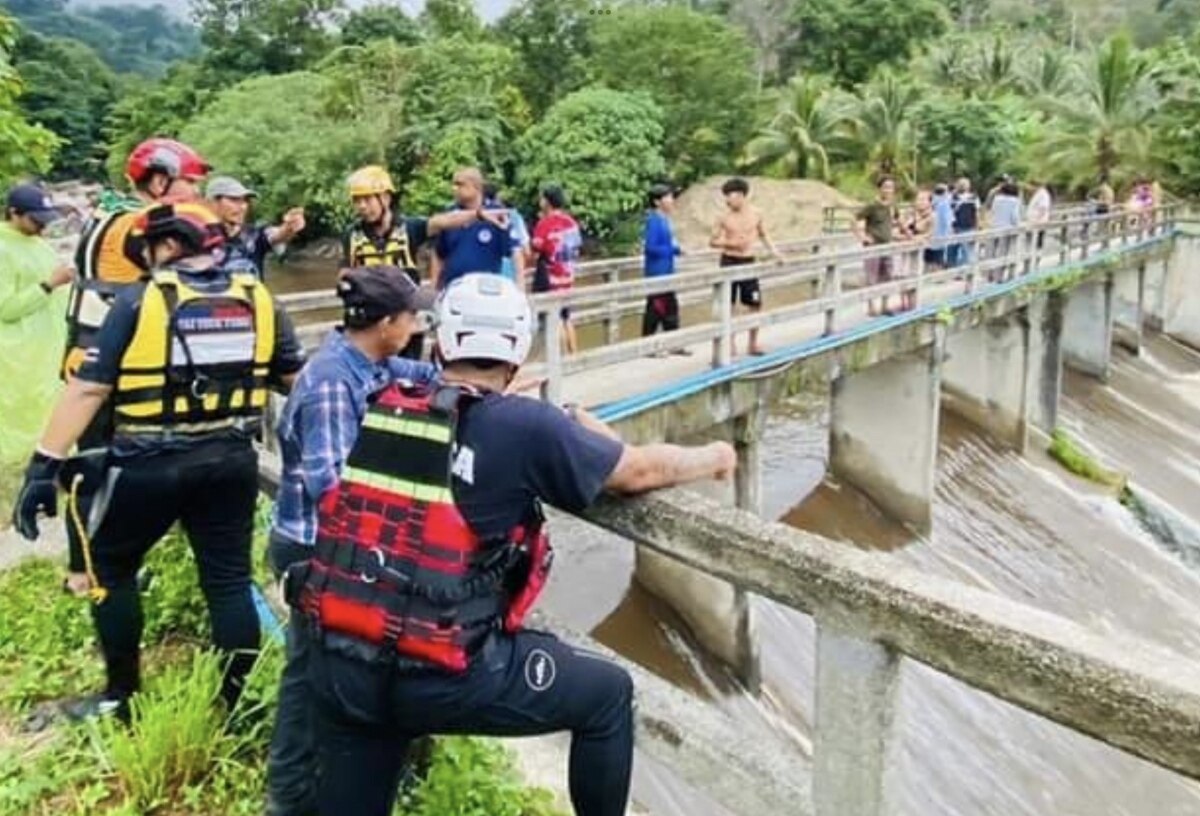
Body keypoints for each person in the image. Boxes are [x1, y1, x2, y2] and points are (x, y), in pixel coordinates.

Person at [288, 272, 737, 816]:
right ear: (518, 353)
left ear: (439, 343)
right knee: (607, 695)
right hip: (444, 674)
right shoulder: (526, 425)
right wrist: (713, 455)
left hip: (344, 661)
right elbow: (635, 473)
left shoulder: (386, 402)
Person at [11, 201, 306, 722]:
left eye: (149, 250)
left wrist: (42, 468)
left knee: (111, 567)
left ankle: (121, 698)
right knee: (229, 581)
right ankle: (236, 705)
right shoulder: (260, 299)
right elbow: (294, 382)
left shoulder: (138, 300)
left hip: (150, 463)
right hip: (232, 459)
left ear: (169, 246)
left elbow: (88, 390)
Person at [265, 265, 440, 816]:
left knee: (357, 665)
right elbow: (331, 488)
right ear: (387, 322)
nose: (417, 324)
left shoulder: (370, 360)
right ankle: (289, 794)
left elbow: (426, 375)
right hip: (316, 547)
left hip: (343, 546)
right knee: (308, 670)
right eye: (412, 315)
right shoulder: (331, 385)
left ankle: (362, 771)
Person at [60, 138, 210, 598]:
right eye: (189, 183)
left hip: (83, 348)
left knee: (91, 458)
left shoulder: (106, 215)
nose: (194, 193)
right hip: (109, 360)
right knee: (106, 462)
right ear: (160, 180)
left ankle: (83, 566)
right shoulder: (138, 227)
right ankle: (91, 570)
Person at [342, 165, 507, 360]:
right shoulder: (352, 236)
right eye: (357, 200)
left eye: (367, 199)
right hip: (370, 325)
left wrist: (478, 215)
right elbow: (346, 272)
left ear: (385, 198)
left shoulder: (409, 228)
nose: (361, 206)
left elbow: (443, 221)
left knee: (408, 380)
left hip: (404, 320)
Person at [0, 184, 74, 521]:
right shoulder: (3, 248)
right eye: (35, 219)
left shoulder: (39, 244)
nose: (42, 225)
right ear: (13, 213)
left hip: (48, 349)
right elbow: (5, 307)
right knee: (15, 425)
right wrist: (48, 285)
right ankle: (12, 498)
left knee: (50, 417)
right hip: (16, 355)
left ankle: (48, 485)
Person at [710, 177, 783, 356]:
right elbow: (712, 241)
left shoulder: (756, 213)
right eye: (726, 196)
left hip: (748, 261)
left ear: (742, 195)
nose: (727, 200)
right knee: (729, 305)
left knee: (755, 303)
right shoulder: (723, 217)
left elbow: (764, 235)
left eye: (731, 196)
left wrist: (775, 252)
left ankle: (753, 343)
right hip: (729, 261)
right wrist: (730, 244)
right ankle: (731, 344)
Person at [431, 167, 517, 290]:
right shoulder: (449, 216)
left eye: (460, 184)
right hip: (454, 289)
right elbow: (439, 254)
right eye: (454, 185)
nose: (454, 189)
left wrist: (520, 285)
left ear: (476, 186)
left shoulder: (496, 213)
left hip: (486, 289)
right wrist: (434, 286)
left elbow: (514, 251)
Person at [207, 176, 306, 280]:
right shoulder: (197, 238)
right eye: (234, 199)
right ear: (212, 202)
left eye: (245, 200)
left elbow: (277, 235)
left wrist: (289, 226)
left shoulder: (253, 234)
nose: (243, 207)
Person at [530, 184, 582, 355]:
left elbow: (535, 251)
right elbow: (576, 248)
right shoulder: (571, 223)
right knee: (567, 318)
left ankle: (557, 360)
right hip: (567, 276)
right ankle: (573, 355)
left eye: (542, 197)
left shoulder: (544, 224)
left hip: (549, 278)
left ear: (547, 201)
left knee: (554, 318)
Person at [642, 183, 688, 354]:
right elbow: (650, 248)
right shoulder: (654, 221)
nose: (672, 200)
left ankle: (673, 344)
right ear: (657, 202)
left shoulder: (664, 220)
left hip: (667, 271)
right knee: (655, 309)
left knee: (671, 309)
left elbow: (663, 245)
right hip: (657, 273)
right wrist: (672, 250)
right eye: (668, 197)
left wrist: (677, 250)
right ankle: (648, 346)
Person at [853, 176, 900, 317]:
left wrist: (909, 236)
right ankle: (871, 306)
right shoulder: (872, 206)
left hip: (888, 245)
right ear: (880, 188)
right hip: (874, 246)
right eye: (885, 187)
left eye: (891, 187)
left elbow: (898, 221)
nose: (888, 190)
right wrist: (862, 237)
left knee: (888, 275)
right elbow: (854, 219)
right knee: (871, 277)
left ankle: (885, 305)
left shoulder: (892, 206)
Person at [484, 182, 529, 285]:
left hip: (487, 276)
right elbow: (526, 250)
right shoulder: (514, 217)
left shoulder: (475, 216)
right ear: (496, 197)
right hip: (510, 275)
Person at [988, 179, 1022, 282]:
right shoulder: (1015, 201)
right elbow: (1014, 216)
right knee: (1002, 253)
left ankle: (990, 274)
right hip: (1007, 229)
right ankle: (999, 277)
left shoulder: (997, 199)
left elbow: (992, 211)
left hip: (994, 226)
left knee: (991, 252)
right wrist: (1018, 225)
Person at [949, 177, 979, 269]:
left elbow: (949, 211)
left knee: (955, 248)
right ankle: (961, 269)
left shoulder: (953, 197)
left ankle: (954, 268)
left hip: (958, 225)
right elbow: (977, 212)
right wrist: (977, 225)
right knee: (965, 249)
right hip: (966, 225)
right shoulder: (973, 197)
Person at [929, 182, 954, 269]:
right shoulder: (944, 204)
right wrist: (951, 231)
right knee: (939, 256)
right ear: (945, 192)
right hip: (941, 234)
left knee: (931, 258)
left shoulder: (932, 202)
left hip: (930, 235)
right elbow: (947, 221)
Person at [1027, 180, 1052, 252]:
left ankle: (1037, 258)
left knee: (1037, 243)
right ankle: (1033, 257)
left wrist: (1037, 220)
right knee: (1033, 242)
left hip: (1038, 222)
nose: (1029, 188)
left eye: (1030, 186)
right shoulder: (1038, 193)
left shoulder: (1043, 194)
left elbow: (1043, 208)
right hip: (1034, 222)